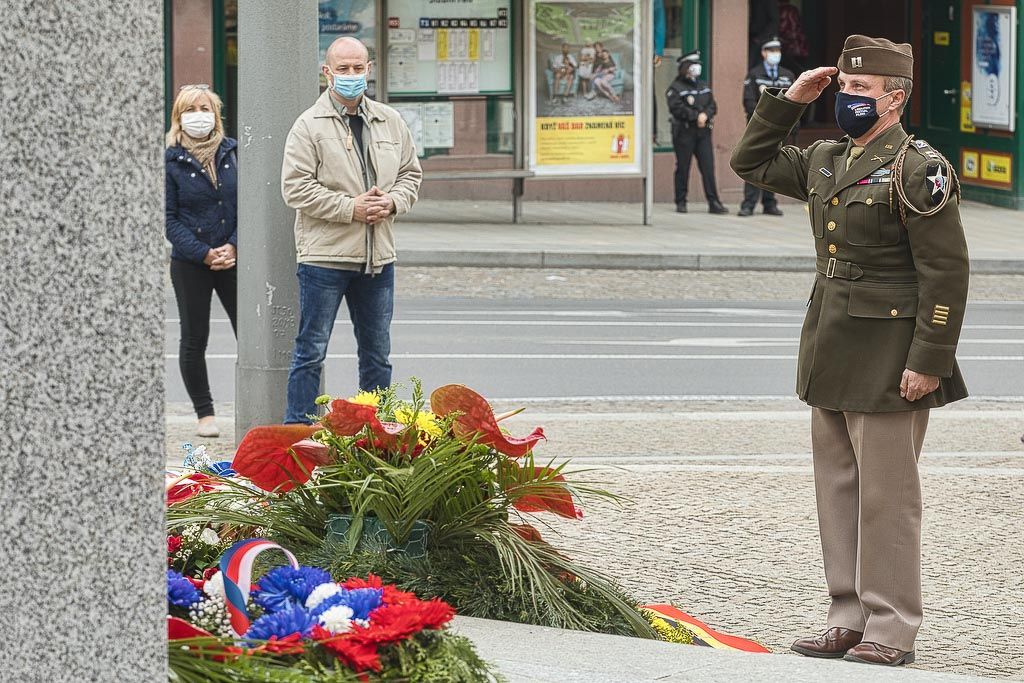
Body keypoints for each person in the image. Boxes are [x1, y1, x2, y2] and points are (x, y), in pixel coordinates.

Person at [731, 36, 970, 666]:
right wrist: (789, 101)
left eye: (861, 89)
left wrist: (929, 359)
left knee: (888, 499)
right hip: (832, 345)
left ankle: (891, 627)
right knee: (837, 488)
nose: (848, 98)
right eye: (844, 87)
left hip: (891, 353)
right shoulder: (826, 158)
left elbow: (946, 273)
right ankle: (847, 616)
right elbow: (749, 161)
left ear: (895, 98)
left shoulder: (919, 168)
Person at [281, 37, 422, 424]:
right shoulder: (308, 125)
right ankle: (298, 434)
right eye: (343, 69)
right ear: (327, 72)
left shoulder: (390, 121)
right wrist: (351, 208)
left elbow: (411, 175)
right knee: (310, 352)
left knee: (377, 356)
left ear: (369, 69)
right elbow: (295, 188)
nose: (351, 75)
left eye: (358, 68)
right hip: (324, 258)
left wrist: (391, 202)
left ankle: (377, 433)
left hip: (378, 258)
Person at [165, 85, 238, 438]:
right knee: (194, 337)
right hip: (191, 263)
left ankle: (254, 402)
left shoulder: (234, 153)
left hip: (233, 259)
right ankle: (204, 414)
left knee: (251, 334)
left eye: (205, 108)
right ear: (178, 117)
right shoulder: (170, 161)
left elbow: (248, 204)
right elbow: (169, 219)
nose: (199, 115)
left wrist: (234, 246)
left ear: (216, 115)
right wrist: (203, 252)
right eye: (190, 109)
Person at [738, 37, 795, 217]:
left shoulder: (787, 75)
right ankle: (748, 204)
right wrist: (766, 120)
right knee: (753, 163)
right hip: (759, 129)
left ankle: (770, 203)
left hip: (781, 129)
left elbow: (795, 101)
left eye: (777, 50)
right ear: (763, 53)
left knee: (774, 165)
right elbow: (748, 102)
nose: (775, 54)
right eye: (771, 51)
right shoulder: (754, 74)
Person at [666, 51, 727, 214]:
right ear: (685, 67)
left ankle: (714, 202)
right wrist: (695, 116)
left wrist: (705, 115)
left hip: (703, 133)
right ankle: (681, 201)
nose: (697, 67)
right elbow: (676, 108)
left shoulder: (703, 86)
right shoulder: (676, 87)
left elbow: (712, 105)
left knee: (708, 167)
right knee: (683, 167)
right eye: (693, 65)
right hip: (684, 132)